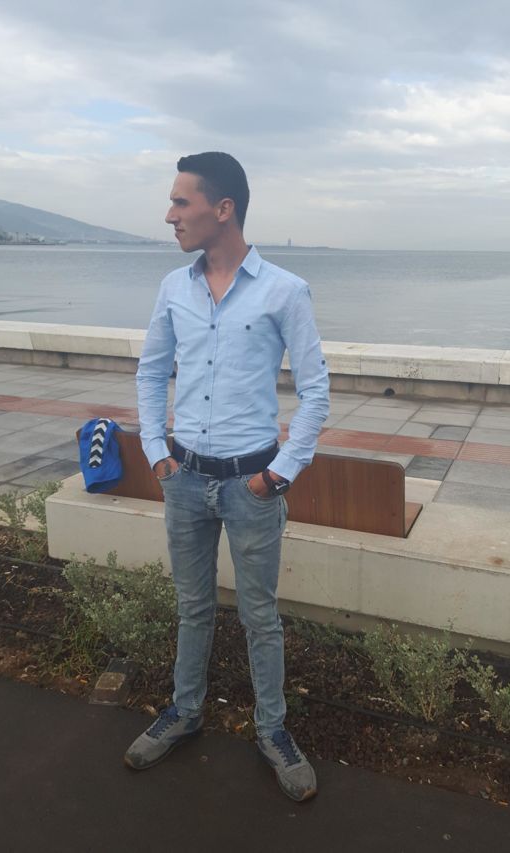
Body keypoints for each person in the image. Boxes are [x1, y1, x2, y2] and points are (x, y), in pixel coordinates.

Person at [125, 152, 330, 802]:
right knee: (191, 606)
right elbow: (151, 370)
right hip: (184, 478)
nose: (169, 215)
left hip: (251, 486)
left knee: (260, 616)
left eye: (180, 202)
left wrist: (279, 475)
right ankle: (185, 711)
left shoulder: (285, 291)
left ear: (223, 209)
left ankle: (272, 730)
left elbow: (316, 392)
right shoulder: (173, 288)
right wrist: (157, 453)